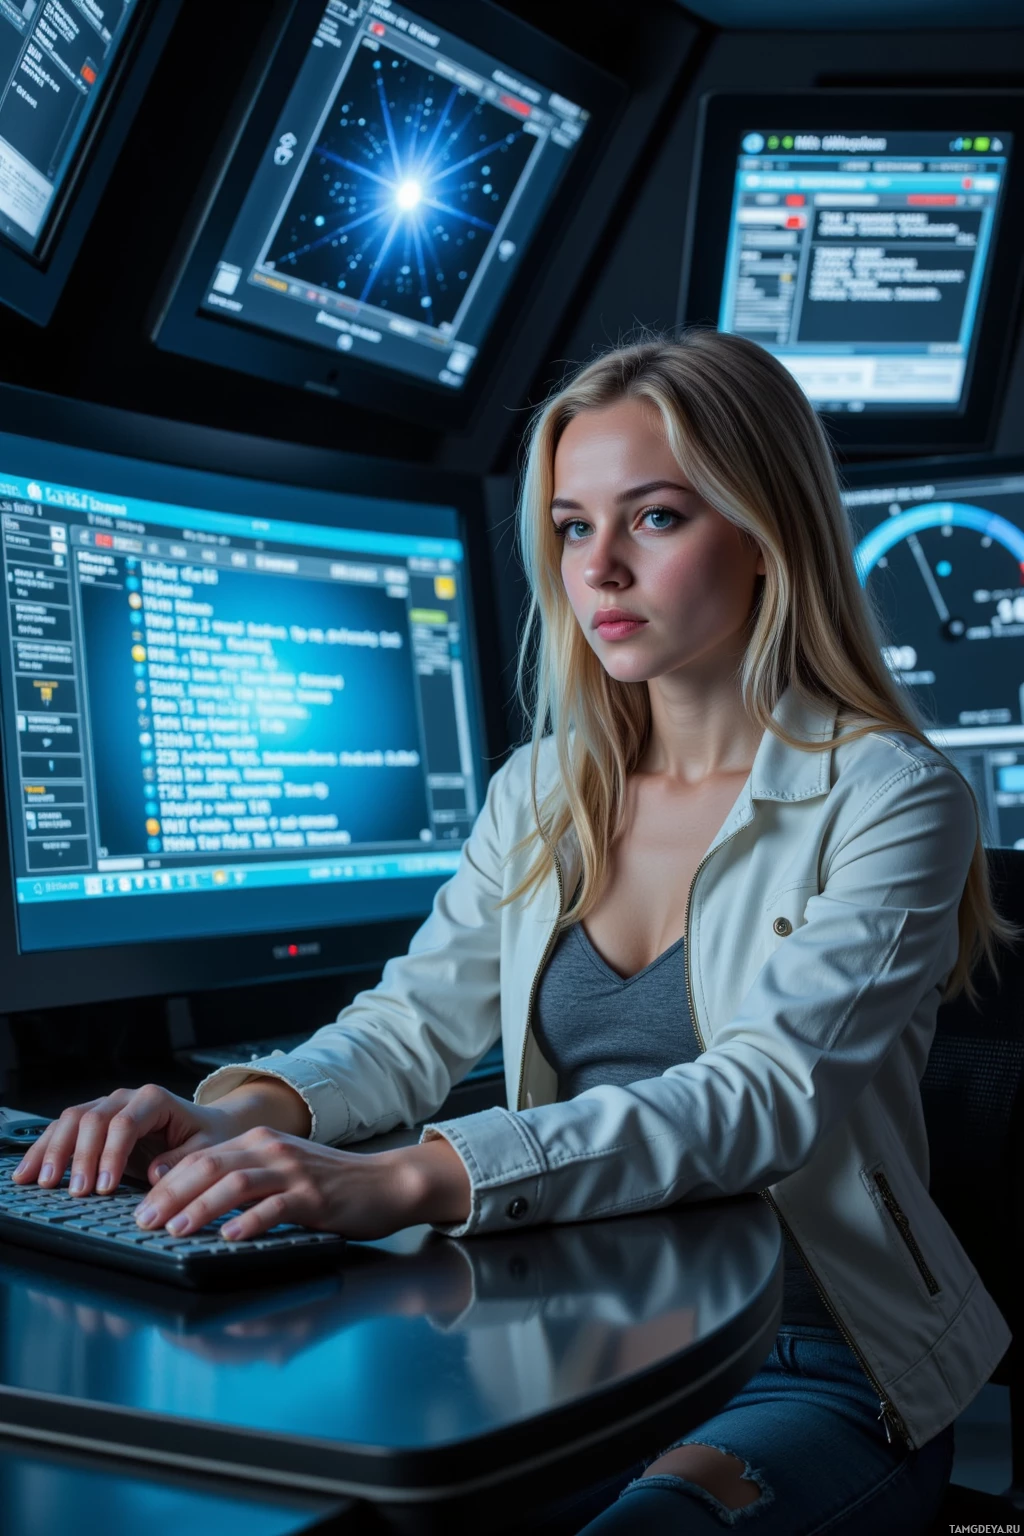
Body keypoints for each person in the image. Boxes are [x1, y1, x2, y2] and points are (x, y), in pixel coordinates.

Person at [12, 330, 1016, 1534]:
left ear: (761, 533)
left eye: (652, 518)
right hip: (570, 1346)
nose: (598, 571)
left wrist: (407, 1177)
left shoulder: (893, 793)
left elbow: (760, 1098)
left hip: (812, 1362)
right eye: (572, 525)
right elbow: (404, 1029)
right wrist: (241, 1113)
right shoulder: (545, 787)